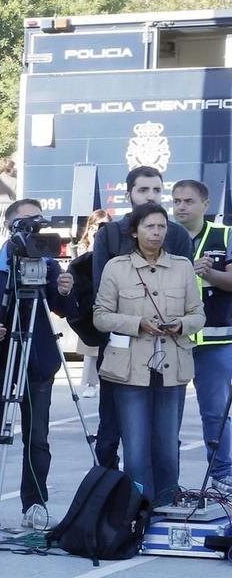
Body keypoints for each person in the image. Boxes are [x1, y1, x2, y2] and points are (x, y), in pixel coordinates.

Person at [0, 198, 75, 532]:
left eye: (38, 222)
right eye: (26, 223)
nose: (33, 229)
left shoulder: (49, 266)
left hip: (36, 364)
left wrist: (65, 291)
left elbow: (63, 309)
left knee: (37, 438)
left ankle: (34, 503)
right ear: (10, 228)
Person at [95, 202, 203, 508]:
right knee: (136, 449)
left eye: (161, 227)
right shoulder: (116, 267)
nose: (156, 233)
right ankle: (138, 513)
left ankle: (167, 509)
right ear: (134, 231)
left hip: (173, 368)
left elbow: (198, 315)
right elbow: (101, 316)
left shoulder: (182, 266)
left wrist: (181, 324)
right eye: (149, 226)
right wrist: (136, 324)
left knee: (168, 446)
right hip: (130, 370)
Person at [91, 168, 192, 471]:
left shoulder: (177, 235)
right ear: (129, 194)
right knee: (111, 431)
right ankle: (112, 502)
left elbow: (189, 299)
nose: (150, 196)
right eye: (143, 190)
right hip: (121, 352)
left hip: (169, 353)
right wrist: (135, 322)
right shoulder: (109, 234)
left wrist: (178, 323)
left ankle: (161, 499)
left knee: (165, 437)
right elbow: (101, 299)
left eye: (156, 190)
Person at [169, 178, 232, 487]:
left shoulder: (224, 235)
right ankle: (169, 482)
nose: (181, 206)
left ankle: (222, 476)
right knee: (169, 416)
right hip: (172, 339)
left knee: (216, 413)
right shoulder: (163, 235)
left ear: (205, 205)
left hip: (215, 340)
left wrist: (209, 272)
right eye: (177, 200)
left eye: (188, 201)